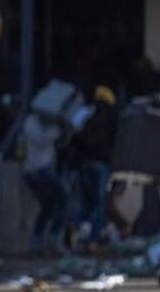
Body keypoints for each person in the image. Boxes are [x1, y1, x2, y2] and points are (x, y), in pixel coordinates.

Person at [73, 85, 118, 244]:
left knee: (86, 204)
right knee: (99, 203)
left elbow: (76, 136)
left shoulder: (86, 114)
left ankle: (80, 238)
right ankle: (93, 239)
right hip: (101, 164)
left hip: (85, 164)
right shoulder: (111, 116)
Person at [22, 109, 68, 254]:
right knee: (62, 199)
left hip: (44, 170)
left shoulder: (49, 124)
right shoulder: (32, 122)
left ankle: (38, 241)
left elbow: (61, 143)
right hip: (37, 171)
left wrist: (65, 129)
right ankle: (51, 238)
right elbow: (41, 140)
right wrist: (57, 127)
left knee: (48, 206)